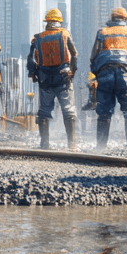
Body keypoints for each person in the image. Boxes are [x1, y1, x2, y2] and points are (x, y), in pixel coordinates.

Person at [90, 6, 127, 149]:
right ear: (125, 18)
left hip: (104, 73)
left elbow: (93, 56)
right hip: (125, 73)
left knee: (104, 111)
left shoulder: (102, 33)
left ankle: (101, 146)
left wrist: (96, 73)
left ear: (112, 18)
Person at [27, 8, 79, 150]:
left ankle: (44, 144)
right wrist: (72, 72)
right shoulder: (64, 34)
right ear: (59, 22)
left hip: (44, 79)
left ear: (48, 22)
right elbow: (74, 54)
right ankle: (72, 145)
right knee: (68, 110)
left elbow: (31, 59)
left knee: (44, 110)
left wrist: (32, 74)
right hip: (63, 78)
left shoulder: (37, 38)